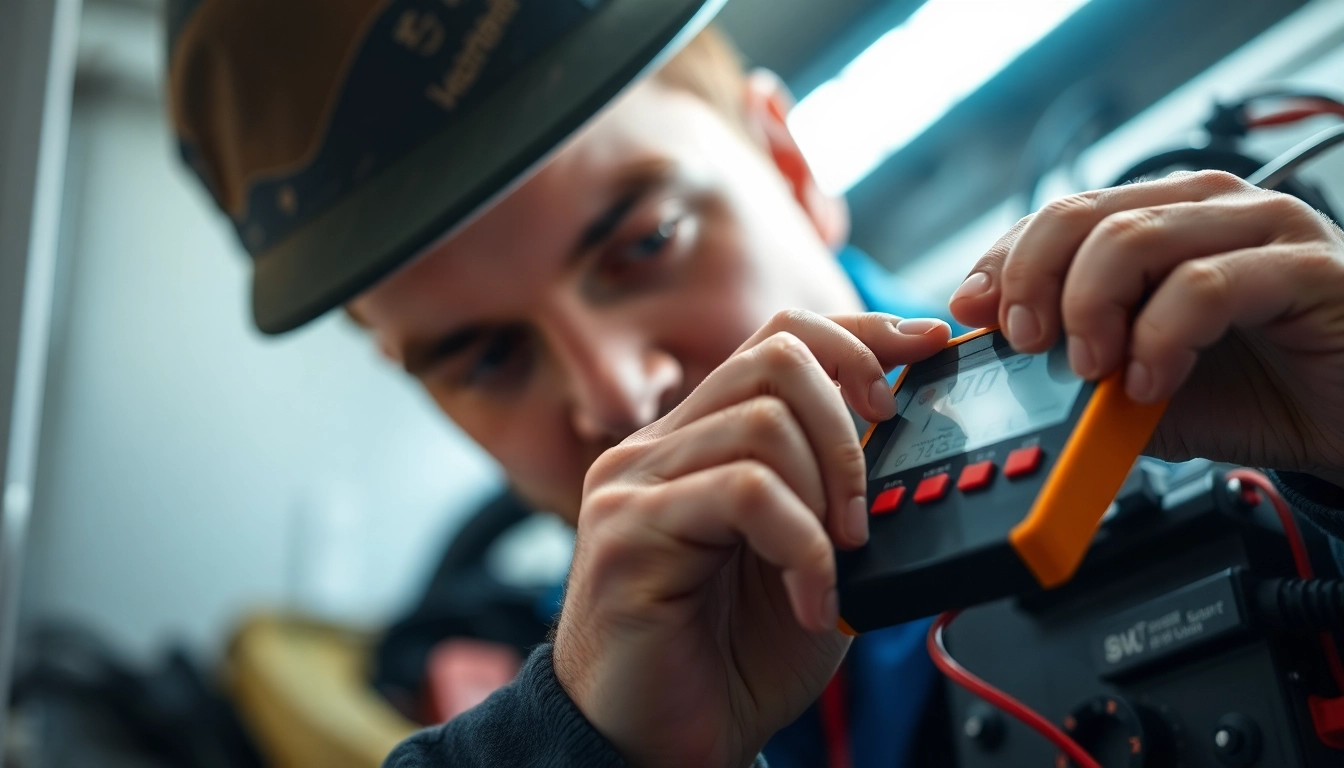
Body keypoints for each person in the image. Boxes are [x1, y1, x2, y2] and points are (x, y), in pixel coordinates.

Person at [166, 1, 1344, 766]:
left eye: (647, 241)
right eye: (485, 357)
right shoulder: (576, 688)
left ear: (788, 159)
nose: (615, 392)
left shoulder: (1262, 411)